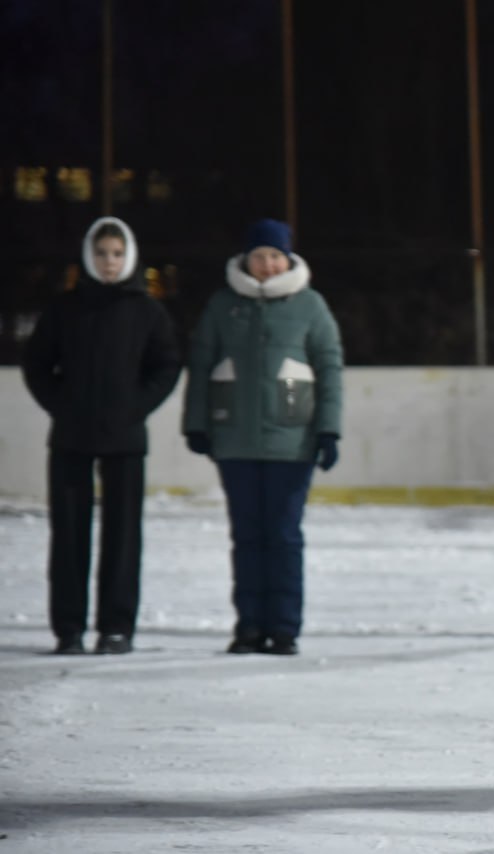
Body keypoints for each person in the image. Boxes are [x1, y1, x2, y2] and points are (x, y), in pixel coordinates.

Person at [181, 218, 343, 656]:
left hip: (293, 443)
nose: (268, 265)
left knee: (284, 535)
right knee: (247, 536)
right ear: (246, 259)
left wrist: (328, 429)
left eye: (275, 256)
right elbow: (201, 363)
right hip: (235, 442)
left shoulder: (310, 305)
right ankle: (250, 626)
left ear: (287, 259)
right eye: (260, 256)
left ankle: (285, 628)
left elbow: (329, 366)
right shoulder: (222, 305)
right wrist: (196, 422)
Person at [21, 217, 182, 655]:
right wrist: (63, 405)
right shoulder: (64, 309)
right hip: (71, 437)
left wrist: (133, 409)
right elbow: (36, 366)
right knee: (69, 537)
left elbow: (166, 367)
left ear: (127, 257)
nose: (108, 262)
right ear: (88, 257)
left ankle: (116, 627)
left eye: (115, 254)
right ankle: (68, 629)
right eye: (100, 253)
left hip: (125, 441)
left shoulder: (148, 311)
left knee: (123, 537)